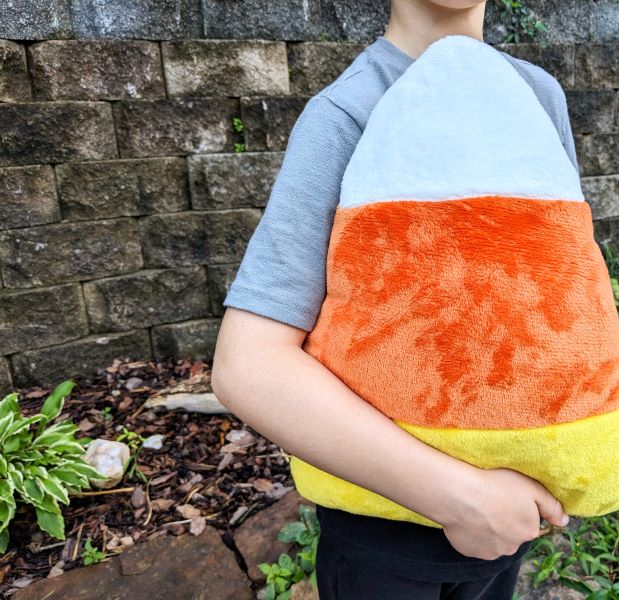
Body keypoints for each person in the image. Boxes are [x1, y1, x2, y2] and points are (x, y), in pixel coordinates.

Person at [212, 2, 594, 598]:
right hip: (386, 537)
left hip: (513, 520)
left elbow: (562, 284)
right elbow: (249, 365)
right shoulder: (347, 112)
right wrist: (462, 498)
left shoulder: (537, 95)